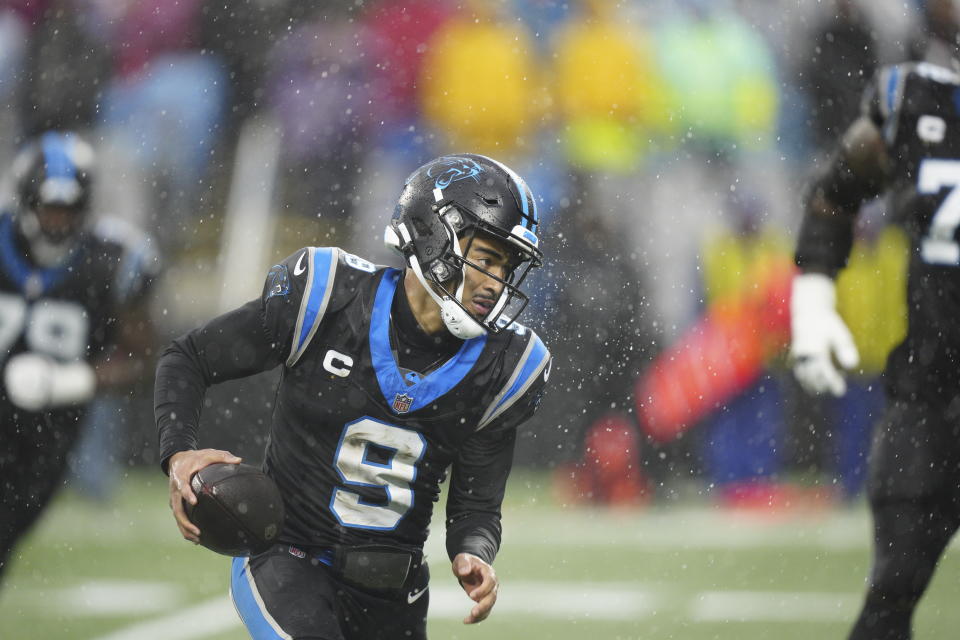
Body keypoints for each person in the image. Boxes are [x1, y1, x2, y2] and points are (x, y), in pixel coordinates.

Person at [156, 153, 551, 639]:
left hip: (393, 591)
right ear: (433, 236)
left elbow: (477, 502)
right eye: (485, 259)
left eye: (506, 267)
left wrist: (473, 550)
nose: (495, 282)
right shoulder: (326, 297)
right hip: (288, 559)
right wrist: (178, 452)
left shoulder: (506, 365)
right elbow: (189, 357)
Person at [789, 2, 960, 638]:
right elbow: (834, 195)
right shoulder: (915, 100)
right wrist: (812, 303)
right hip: (931, 395)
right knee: (889, 599)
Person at [0, 131, 158, 583]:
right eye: (49, 208)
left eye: (68, 210)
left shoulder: (114, 259)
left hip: (45, 439)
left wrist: (70, 382)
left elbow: (144, 360)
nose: (57, 222)